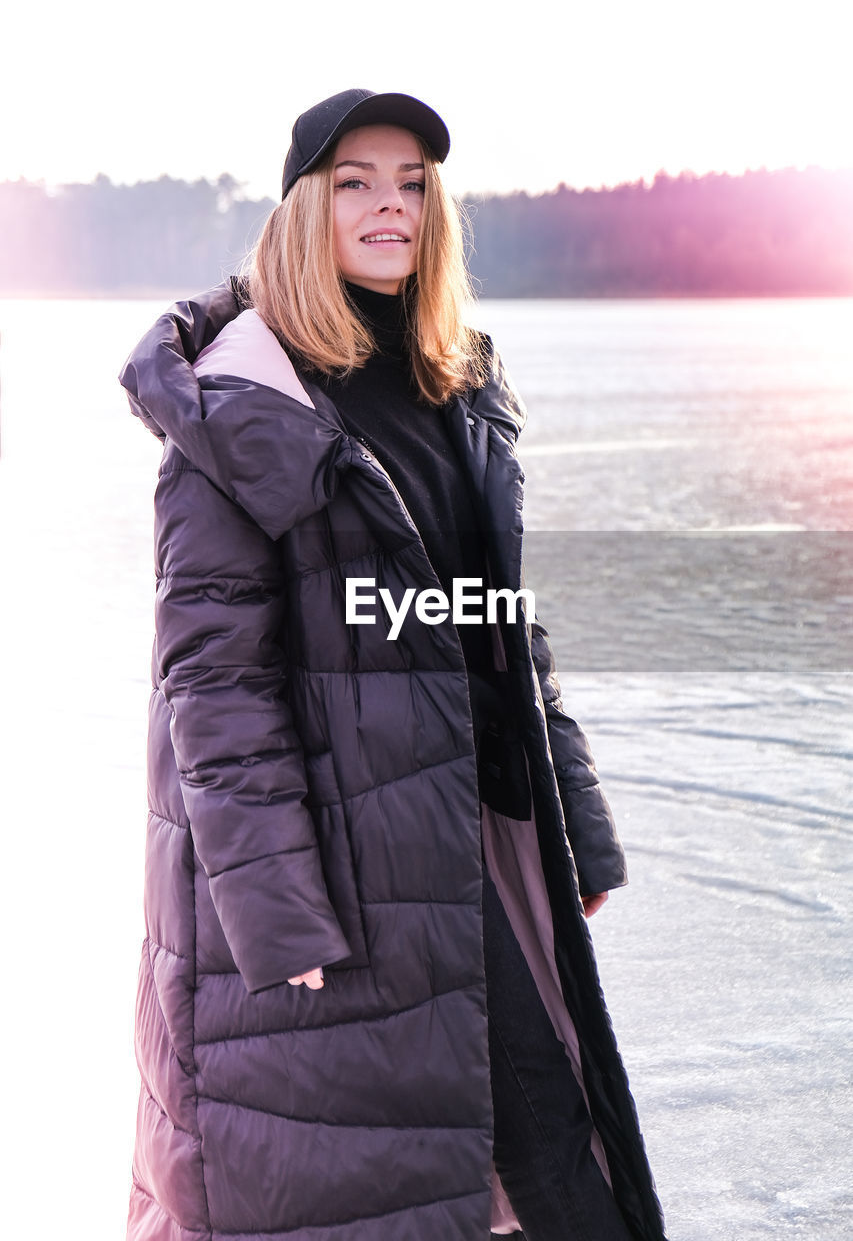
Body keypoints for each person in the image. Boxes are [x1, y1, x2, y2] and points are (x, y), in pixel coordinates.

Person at [120, 88, 667, 1241]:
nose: (390, 208)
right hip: (334, 864)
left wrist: (576, 812)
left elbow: (503, 627)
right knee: (365, 1175)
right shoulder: (241, 406)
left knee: (552, 1152)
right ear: (304, 207)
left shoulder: (451, 382)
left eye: (412, 183)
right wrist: (278, 907)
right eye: (357, 182)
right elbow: (215, 685)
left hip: (466, 828)